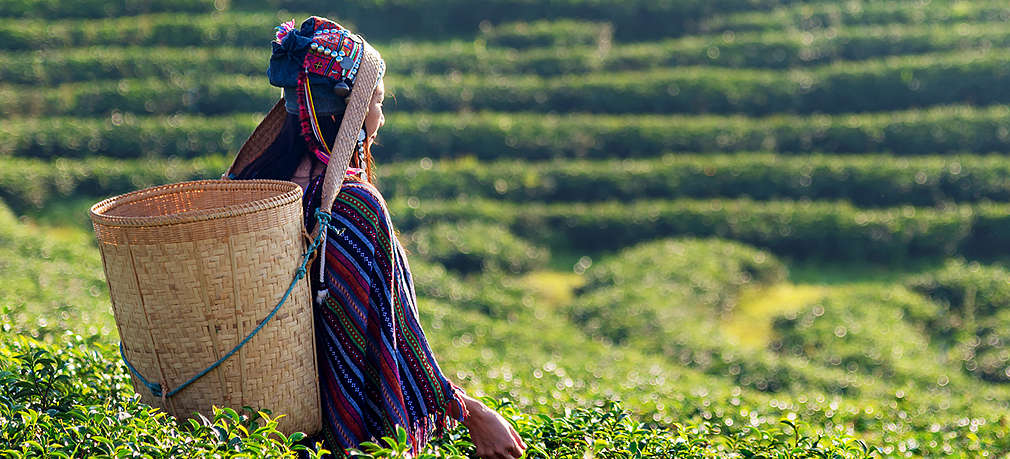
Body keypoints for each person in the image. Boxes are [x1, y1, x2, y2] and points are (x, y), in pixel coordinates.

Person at [231, 16, 527, 459]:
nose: (381, 118)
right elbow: (393, 331)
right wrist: (471, 411)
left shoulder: (253, 188)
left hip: (258, 425)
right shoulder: (352, 205)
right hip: (333, 433)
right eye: (378, 103)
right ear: (348, 110)